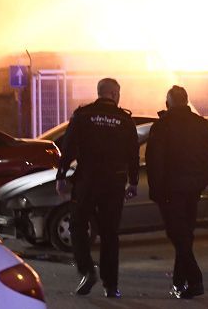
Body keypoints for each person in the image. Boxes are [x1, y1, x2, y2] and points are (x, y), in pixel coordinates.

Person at [55, 77, 139, 298]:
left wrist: (61, 175)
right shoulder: (124, 120)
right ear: (113, 94)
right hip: (115, 182)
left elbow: (68, 146)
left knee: (78, 225)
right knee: (110, 233)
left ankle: (86, 269)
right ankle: (111, 285)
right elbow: (133, 154)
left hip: (88, 180)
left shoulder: (83, 115)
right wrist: (134, 181)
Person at [146, 85, 208, 299]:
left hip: (171, 190)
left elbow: (155, 162)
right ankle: (179, 281)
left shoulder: (162, 127)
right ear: (186, 101)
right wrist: (202, 181)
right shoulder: (202, 125)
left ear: (168, 103)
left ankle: (195, 280)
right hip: (193, 189)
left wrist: (157, 191)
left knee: (177, 235)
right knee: (185, 235)